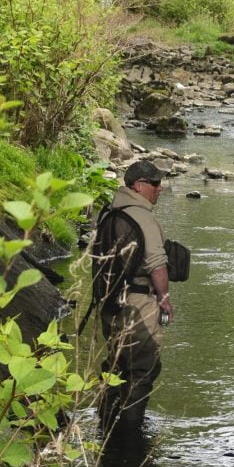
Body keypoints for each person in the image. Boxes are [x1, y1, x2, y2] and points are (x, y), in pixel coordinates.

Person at [99, 159, 173, 432]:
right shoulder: (143, 217)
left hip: (110, 304)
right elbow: (157, 263)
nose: (160, 188)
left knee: (117, 365)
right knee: (143, 369)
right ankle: (131, 435)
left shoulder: (109, 213)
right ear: (139, 186)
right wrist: (164, 299)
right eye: (155, 183)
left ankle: (105, 426)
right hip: (138, 302)